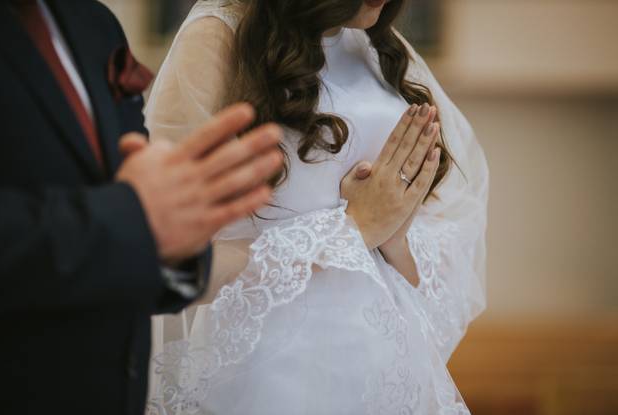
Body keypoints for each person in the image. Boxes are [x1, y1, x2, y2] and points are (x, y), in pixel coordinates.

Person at [145, 0, 489, 414]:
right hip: (273, 377)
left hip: (390, 369)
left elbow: (440, 237)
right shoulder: (219, 37)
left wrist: (393, 236)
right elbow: (166, 255)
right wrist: (350, 230)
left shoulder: (375, 43)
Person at [0, 1, 283, 414]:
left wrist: (179, 233)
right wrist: (134, 222)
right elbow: (131, 215)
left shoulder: (91, 23)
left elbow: (138, 196)